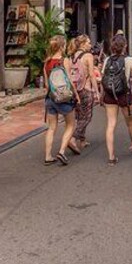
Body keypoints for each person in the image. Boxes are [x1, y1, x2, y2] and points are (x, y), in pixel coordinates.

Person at [101, 34, 132, 165]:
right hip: (125, 94)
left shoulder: (107, 60)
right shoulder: (130, 60)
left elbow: (103, 79)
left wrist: (102, 95)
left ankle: (111, 156)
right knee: (131, 123)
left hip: (109, 95)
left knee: (110, 124)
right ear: (125, 46)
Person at [43, 35, 80, 166]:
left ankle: (48, 156)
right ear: (62, 46)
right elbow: (69, 80)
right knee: (70, 125)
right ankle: (62, 151)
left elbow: (47, 85)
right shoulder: (64, 60)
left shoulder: (46, 62)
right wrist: (76, 95)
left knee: (51, 128)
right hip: (64, 99)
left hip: (50, 98)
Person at [67, 35, 98, 154]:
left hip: (75, 90)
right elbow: (91, 74)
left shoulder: (71, 56)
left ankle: (82, 140)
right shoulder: (88, 56)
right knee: (87, 116)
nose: (90, 45)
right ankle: (73, 138)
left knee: (80, 115)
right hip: (86, 88)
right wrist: (96, 91)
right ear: (83, 44)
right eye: (89, 43)